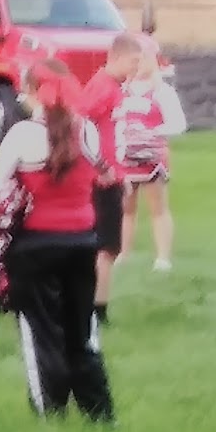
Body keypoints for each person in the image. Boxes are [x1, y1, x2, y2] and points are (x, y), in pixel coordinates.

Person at [0, 60, 114, 422]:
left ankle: (50, 413)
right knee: (81, 330)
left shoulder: (22, 135)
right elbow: (104, 176)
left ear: (32, 91)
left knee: (41, 331)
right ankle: (99, 411)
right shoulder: (86, 131)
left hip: (34, 247)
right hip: (83, 242)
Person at [75, 34, 138, 323]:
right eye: (133, 62)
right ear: (118, 58)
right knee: (105, 247)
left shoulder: (113, 87)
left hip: (112, 176)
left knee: (109, 247)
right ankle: (96, 310)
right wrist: (101, 167)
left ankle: (95, 305)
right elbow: (80, 127)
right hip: (100, 180)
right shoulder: (102, 87)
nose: (135, 69)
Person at [118, 44, 186, 272]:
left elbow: (178, 124)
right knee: (126, 208)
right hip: (126, 158)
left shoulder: (162, 91)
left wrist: (153, 133)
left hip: (153, 158)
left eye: (142, 60)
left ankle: (163, 258)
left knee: (158, 208)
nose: (137, 65)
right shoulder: (121, 90)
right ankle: (123, 253)